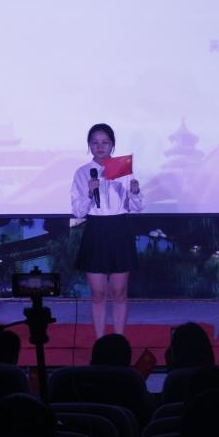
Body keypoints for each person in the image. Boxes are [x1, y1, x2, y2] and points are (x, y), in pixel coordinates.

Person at [71, 123, 142, 338]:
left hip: (119, 229)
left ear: (112, 145)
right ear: (89, 145)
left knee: (119, 292)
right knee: (98, 293)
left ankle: (119, 340)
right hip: (95, 230)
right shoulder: (82, 173)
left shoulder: (121, 168)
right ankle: (100, 342)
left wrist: (135, 192)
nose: (100, 146)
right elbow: (78, 211)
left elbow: (136, 207)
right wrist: (89, 192)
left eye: (105, 142)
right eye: (95, 142)